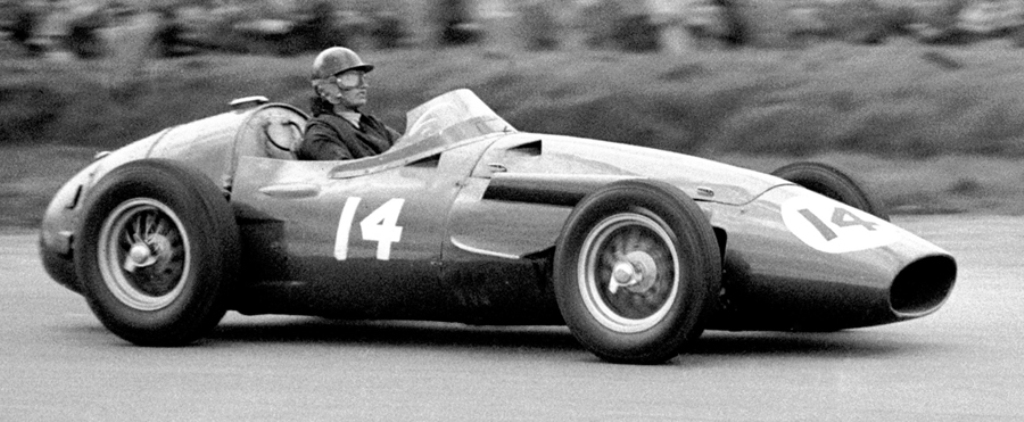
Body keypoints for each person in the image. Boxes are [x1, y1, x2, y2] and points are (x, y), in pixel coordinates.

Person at [296, 46, 401, 161]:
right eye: (351, 79)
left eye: (363, 77)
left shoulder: (372, 125)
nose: (363, 85)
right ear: (326, 88)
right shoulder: (320, 133)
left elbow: (406, 147)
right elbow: (341, 168)